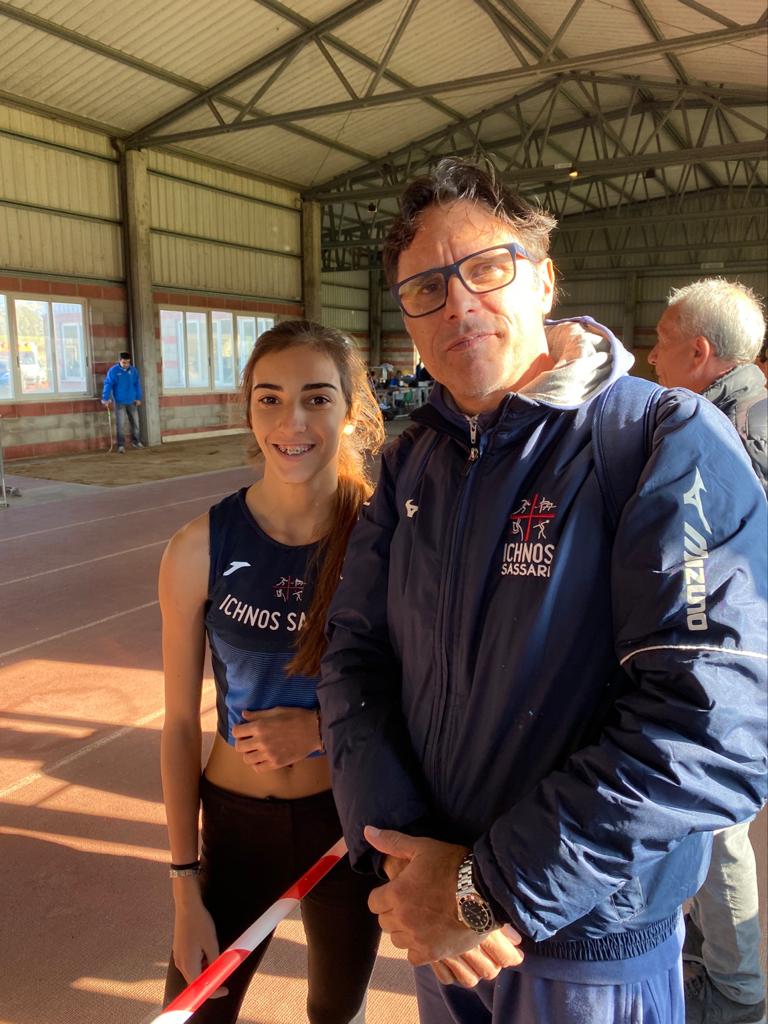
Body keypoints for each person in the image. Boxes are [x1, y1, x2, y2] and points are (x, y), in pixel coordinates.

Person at [317, 158, 768, 1024]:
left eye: (486, 268)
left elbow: (713, 721)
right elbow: (354, 659)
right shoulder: (411, 462)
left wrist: (489, 888)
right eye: (425, 288)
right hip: (445, 938)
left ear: (545, 280)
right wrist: (408, 863)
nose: (458, 304)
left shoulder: (660, 438)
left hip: (587, 950)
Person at [159, 321, 384, 1023]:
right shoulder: (197, 548)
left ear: (351, 410)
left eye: (317, 398)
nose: (293, 422)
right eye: (270, 399)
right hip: (236, 826)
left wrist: (321, 729)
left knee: (334, 1012)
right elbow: (177, 724)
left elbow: (425, 695)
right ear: (249, 410)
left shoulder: (385, 541)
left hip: (348, 822)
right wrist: (185, 887)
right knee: (196, 1012)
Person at [650, 279, 767, 1024]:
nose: (649, 355)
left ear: (698, 353)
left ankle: (735, 993)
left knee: (719, 826)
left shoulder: (732, 433)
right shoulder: (743, 414)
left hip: (731, 671)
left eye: (661, 342)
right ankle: (708, 967)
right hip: (730, 662)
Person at [101, 350, 143, 453]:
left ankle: (136, 442)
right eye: (124, 362)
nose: (126, 365)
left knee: (136, 423)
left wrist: (138, 398)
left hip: (132, 401)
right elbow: (108, 384)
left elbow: (137, 385)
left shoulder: (133, 371)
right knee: (120, 425)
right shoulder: (113, 371)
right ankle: (121, 446)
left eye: (128, 362)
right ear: (119, 361)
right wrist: (105, 398)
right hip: (120, 402)